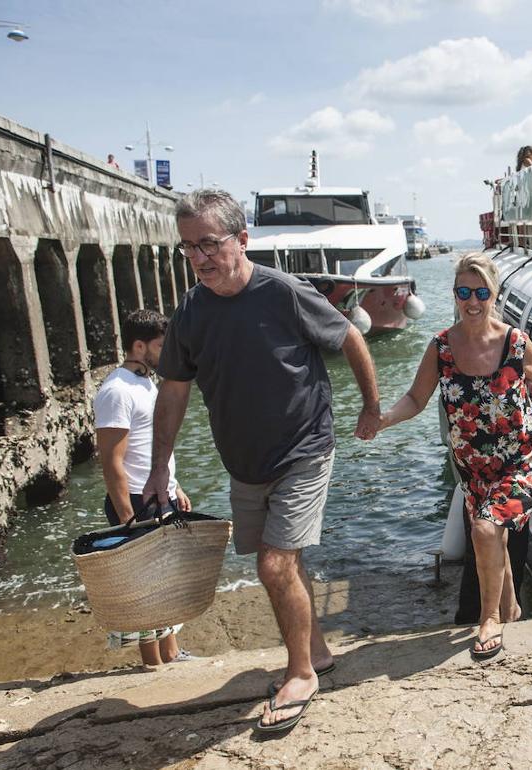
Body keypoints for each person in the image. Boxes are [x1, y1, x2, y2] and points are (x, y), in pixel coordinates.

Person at [145, 188, 382, 733]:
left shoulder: (282, 293)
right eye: (188, 247)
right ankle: (317, 651)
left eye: (209, 243)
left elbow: (349, 334)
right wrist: (161, 466)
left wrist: (370, 407)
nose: (199, 257)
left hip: (304, 447)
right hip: (244, 462)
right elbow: (175, 389)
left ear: (242, 240)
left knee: (273, 564)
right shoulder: (190, 312)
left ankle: (301, 674)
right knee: (284, 564)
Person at [378, 253, 532, 658]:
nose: (472, 300)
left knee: (485, 530)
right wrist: (383, 420)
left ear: (493, 294)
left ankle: (489, 619)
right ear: (455, 294)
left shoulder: (515, 342)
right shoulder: (442, 347)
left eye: (481, 292)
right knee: (491, 535)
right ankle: (511, 603)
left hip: (522, 456)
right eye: (463, 291)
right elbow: (416, 398)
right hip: (474, 469)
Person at [94, 308, 193, 667]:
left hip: (157, 494)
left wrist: (175, 486)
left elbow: (152, 445)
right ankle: (152, 663)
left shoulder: (147, 382)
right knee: (145, 588)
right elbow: (111, 461)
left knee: (164, 582)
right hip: (135, 500)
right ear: (139, 346)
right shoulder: (116, 390)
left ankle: (172, 652)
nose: (167, 353)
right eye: (160, 346)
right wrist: (126, 516)